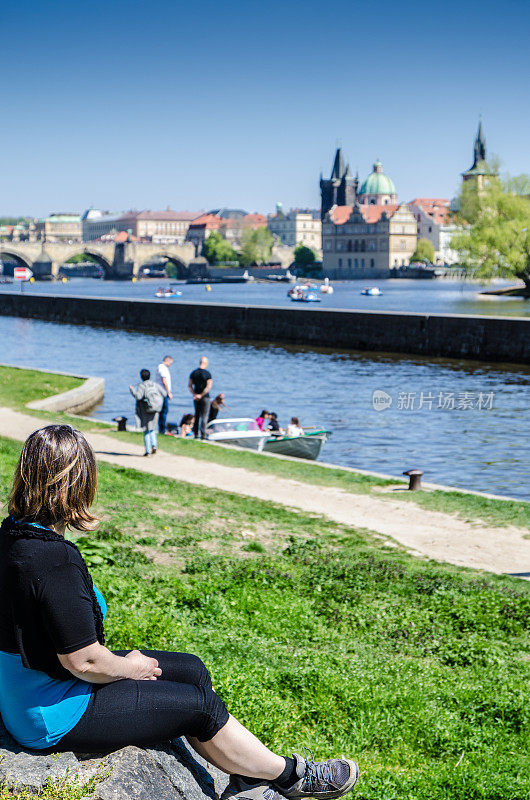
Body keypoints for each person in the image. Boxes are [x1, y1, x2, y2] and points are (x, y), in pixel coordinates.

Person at [0, 425, 359, 800]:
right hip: (52, 712)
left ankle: (247, 781)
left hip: (41, 686)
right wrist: (132, 668)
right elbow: (84, 661)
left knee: (192, 669)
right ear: (77, 482)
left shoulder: (13, 535)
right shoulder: (53, 559)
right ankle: (290, 775)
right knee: (200, 707)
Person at [129, 369, 166, 456]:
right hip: (156, 409)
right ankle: (154, 445)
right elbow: (164, 393)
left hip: (145, 411)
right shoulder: (155, 384)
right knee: (152, 429)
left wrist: (132, 390)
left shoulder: (142, 386)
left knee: (146, 430)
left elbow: (138, 396)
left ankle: (147, 451)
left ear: (141, 376)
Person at [188, 356, 213, 440]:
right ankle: (203, 435)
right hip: (205, 397)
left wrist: (195, 394)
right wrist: (201, 395)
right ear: (206, 363)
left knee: (197, 414)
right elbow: (208, 387)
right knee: (205, 416)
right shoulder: (207, 374)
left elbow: (190, 385)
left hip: (196, 397)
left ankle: (196, 434)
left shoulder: (193, 373)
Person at [155, 355, 174, 435]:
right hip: (163, 392)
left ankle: (161, 428)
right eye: (171, 363)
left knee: (163, 411)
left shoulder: (161, 368)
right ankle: (162, 429)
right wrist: (168, 392)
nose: (170, 365)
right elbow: (164, 380)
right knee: (164, 411)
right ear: (167, 360)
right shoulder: (162, 368)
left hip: (162, 392)